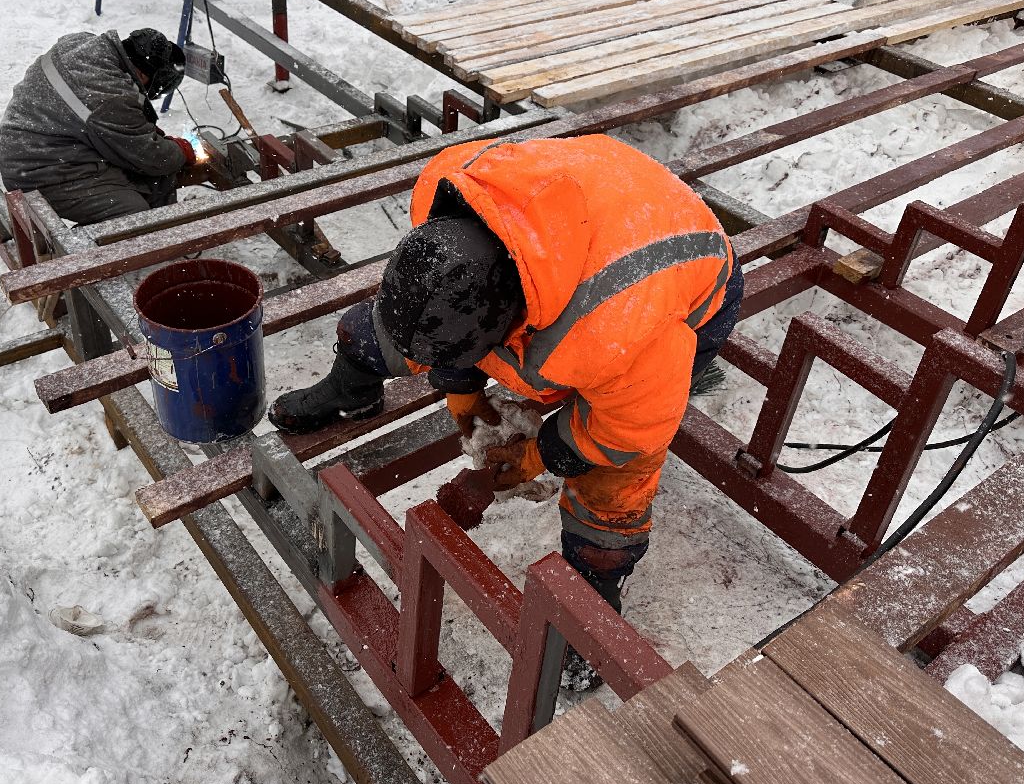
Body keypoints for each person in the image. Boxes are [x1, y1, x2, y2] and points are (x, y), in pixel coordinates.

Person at [269, 135, 741, 651]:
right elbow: (444, 318)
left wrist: (544, 454)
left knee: (615, 470)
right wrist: (460, 389)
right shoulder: (448, 190)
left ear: (511, 327)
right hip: (591, 205)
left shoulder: (613, 331)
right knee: (401, 327)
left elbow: (630, 428)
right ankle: (350, 388)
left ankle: (595, 586)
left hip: (688, 272)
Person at [0, 28, 201, 225]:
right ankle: (93, 251)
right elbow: (152, 156)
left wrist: (136, 129)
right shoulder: (111, 95)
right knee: (134, 217)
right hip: (40, 172)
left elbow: (89, 113)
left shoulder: (83, 45)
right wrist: (180, 150)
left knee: (157, 180)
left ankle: (157, 234)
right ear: (143, 75)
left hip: (30, 147)